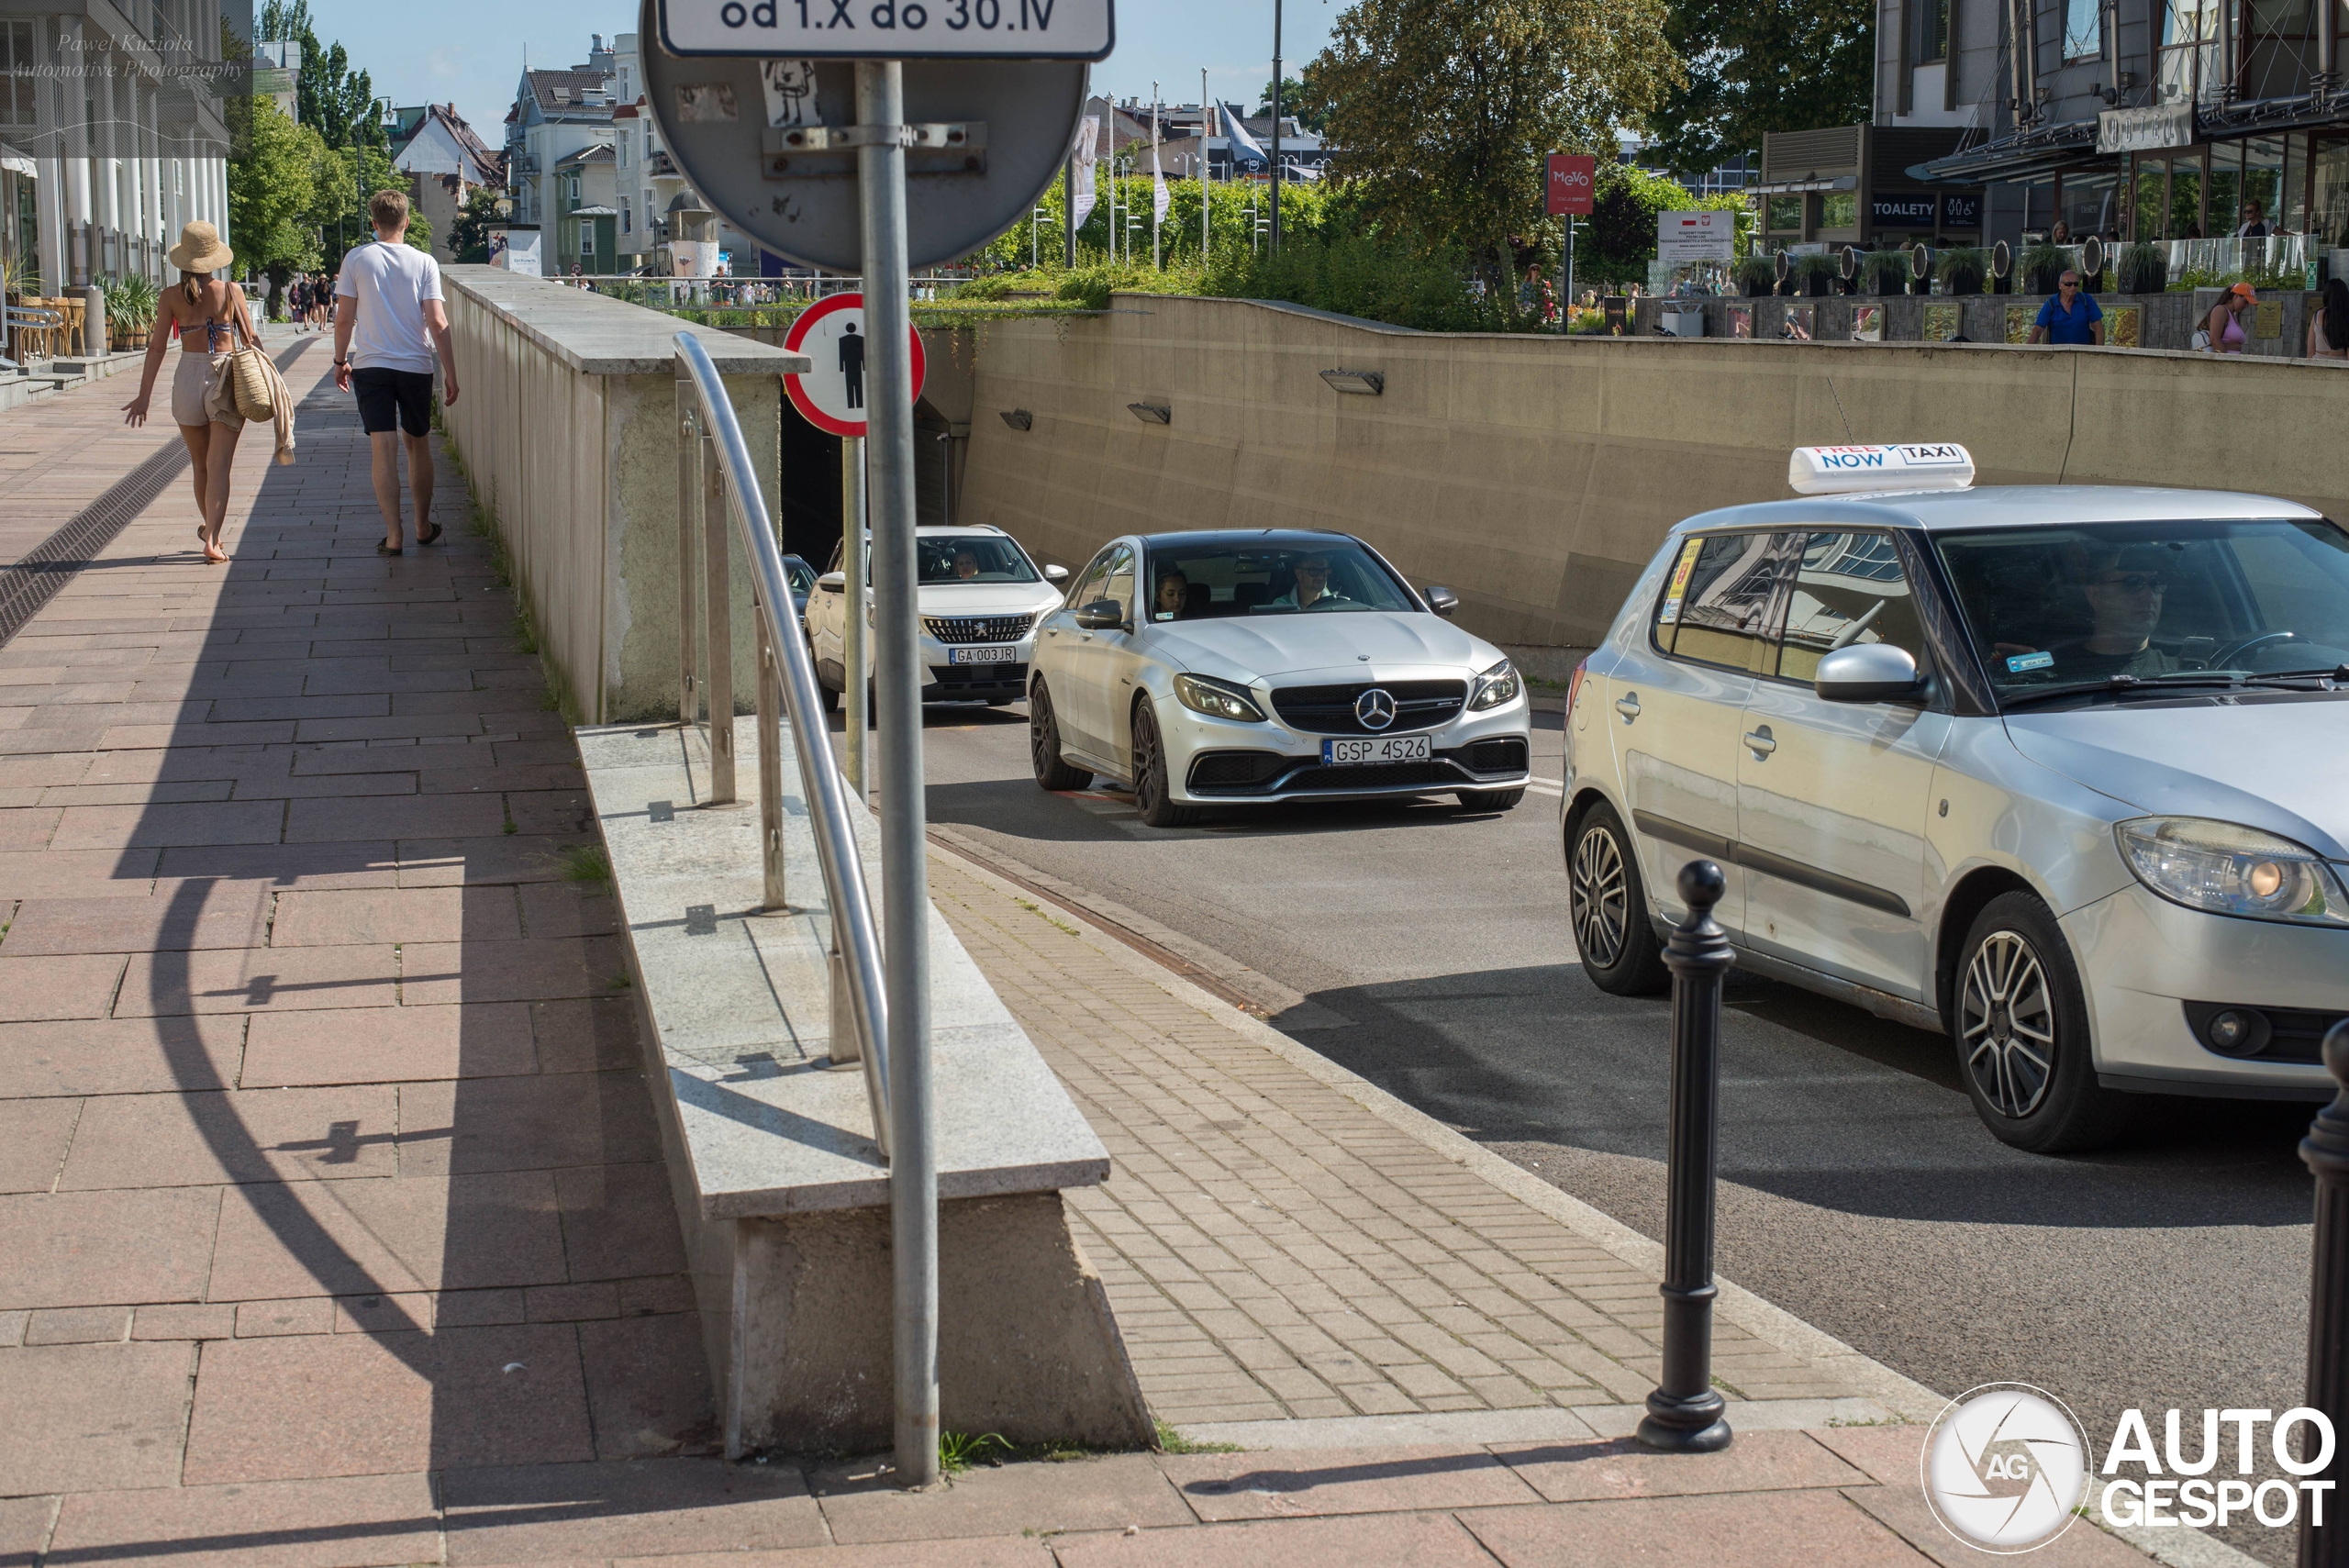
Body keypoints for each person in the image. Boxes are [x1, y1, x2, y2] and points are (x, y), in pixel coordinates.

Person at [118, 220, 256, 564]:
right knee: (220, 465)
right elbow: (252, 342)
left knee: (200, 466)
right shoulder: (231, 291)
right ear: (215, 257)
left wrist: (144, 396)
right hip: (224, 375)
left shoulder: (169, 297)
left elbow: (157, 348)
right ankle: (211, 538)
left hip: (186, 378)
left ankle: (213, 533)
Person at [334, 189, 461, 554]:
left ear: (374, 224)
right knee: (418, 444)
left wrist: (340, 361)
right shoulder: (424, 263)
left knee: (382, 449)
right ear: (406, 221)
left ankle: (394, 535)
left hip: (371, 366)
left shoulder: (356, 259)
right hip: (415, 365)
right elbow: (437, 322)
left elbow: (344, 320)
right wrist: (450, 372)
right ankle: (423, 526)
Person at [2051, 545, 2179, 680]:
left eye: (2156, 583)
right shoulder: (2052, 677)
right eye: (2133, 583)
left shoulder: (2186, 673)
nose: (2149, 596)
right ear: (2095, 595)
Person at [2028, 270, 2105, 346]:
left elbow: (2099, 328)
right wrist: (2027, 351)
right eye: (2068, 284)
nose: (2073, 287)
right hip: (2057, 353)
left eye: (2076, 284)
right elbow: (2037, 330)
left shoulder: (2086, 300)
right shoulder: (2051, 304)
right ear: (2060, 285)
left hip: (2083, 352)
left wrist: (2099, 353)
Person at [1264, 554, 1352, 611]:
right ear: (1298, 573)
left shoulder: (1339, 603)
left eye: (1323, 570)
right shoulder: (1282, 606)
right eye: (1313, 570)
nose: (1320, 577)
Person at [2198, 282, 2254, 353]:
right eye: (2245, 302)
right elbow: (2214, 339)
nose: (2247, 306)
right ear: (2236, 296)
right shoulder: (2220, 310)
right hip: (2225, 362)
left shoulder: (2233, 315)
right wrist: (2227, 361)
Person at [2310, 276, 2349, 361]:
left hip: (2318, 364)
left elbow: (2310, 352)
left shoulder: (2317, 315)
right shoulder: (2346, 316)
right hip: (2341, 364)